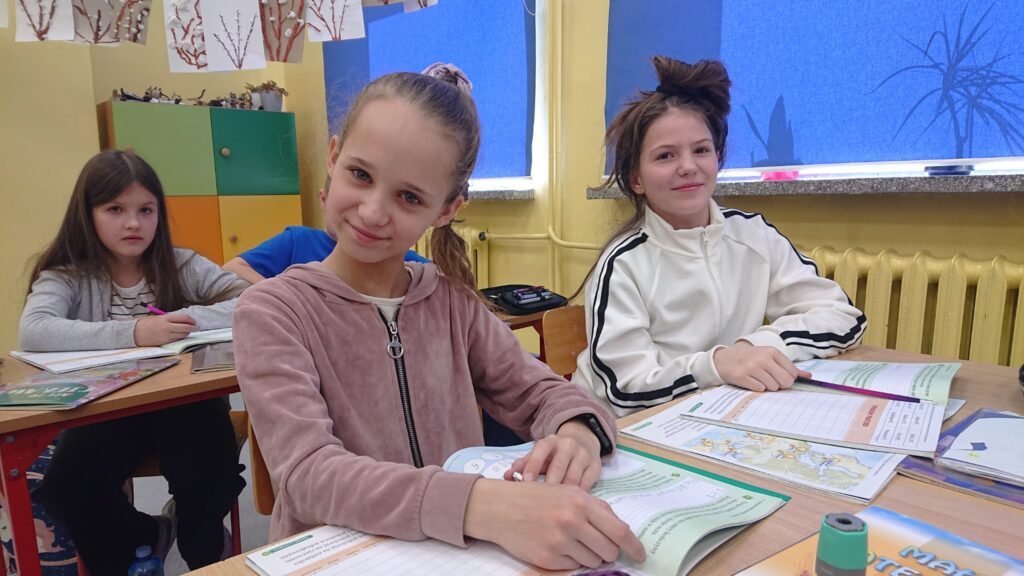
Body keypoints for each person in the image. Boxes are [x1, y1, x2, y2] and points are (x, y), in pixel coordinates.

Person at [234, 63, 646, 571]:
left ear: (447, 209)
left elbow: (543, 391)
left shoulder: (453, 306)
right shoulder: (273, 312)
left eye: (409, 197)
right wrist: (481, 505)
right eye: (361, 175)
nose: (372, 211)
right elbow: (309, 476)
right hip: (341, 558)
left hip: (456, 557)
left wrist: (578, 430)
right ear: (334, 158)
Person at [572, 57, 867, 418]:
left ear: (717, 157)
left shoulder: (753, 235)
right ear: (636, 179)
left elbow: (844, 317)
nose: (688, 166)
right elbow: (625, 388)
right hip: (624, 426)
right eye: (665, 156)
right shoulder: (623, 264)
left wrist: (752, 346)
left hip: (713, 412)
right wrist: (717, 364)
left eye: (701, 150)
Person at [20, 150, 248, 575]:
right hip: (109, 413)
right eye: (115, 210)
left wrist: (184, 321)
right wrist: (135, 331)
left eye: (146, 210)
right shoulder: (67, 275)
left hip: (185, 407)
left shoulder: (180, 263)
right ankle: (148, 535)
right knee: (68, 484)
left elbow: (251, 301)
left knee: (205, 476)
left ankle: (205, 552)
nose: (133, 223)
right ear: (87, 214)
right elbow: (35, 330)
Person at [222, 176, 428, 284]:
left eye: (409, 198)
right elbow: (233, 268)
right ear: (324, 199)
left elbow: (438, 279)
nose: (369, 216)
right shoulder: (298, 240)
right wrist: (282, 297)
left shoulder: (398, 257)